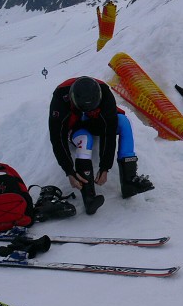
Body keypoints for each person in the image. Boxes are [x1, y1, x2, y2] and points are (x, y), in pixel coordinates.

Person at [48, 76, 154, 215]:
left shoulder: (105, 93)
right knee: (85, 139)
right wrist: (69, 171)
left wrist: (105, 167)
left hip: (96, 121)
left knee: (123, 122)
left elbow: (108, 133)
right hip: (75, 126)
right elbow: (57, 138)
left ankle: (129, 180)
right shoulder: (60, 99)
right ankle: (88, 195)